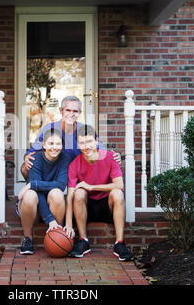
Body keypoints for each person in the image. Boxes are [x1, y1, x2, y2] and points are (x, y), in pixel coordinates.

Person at [64, 124, 133, 261]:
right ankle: (83, 240)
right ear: (78, 144)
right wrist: (68, 223)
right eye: (82, 142)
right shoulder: (75, 164)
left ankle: (119, 244)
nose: (86, 146)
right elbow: (70, 194)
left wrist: (91, 187)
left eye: (89, 141)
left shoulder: (109, 157)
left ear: (96, 141)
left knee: (117, 193)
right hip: (86, 208)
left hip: (107, 206)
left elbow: (119, 185)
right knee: (78, 193)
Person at [21, 96, 121, 180]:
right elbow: (32, 151)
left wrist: (114, 157)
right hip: (56, 170)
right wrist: (27, 157)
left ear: (80, 113)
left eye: (75, 111)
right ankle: (31, 194)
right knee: (25, 167)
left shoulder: (85, 130)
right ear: (61, 110)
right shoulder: (48, 128)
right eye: (68, 110)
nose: (71, 114)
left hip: (79, 170)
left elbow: (101, 151)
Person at [16, 128, 73, 255]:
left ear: (62, 146)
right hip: (34, 207)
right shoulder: (34, 159)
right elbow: (38, 193)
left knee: (57, 193)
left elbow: (61, 184)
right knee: (30, 194)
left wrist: (33, 184)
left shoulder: (65, 159)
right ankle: (27, 238)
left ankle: (58, 234)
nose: (54, 147)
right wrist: (49, 219)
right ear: (43, 145)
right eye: (51, 143)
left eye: (58, 144)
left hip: (53, 203)